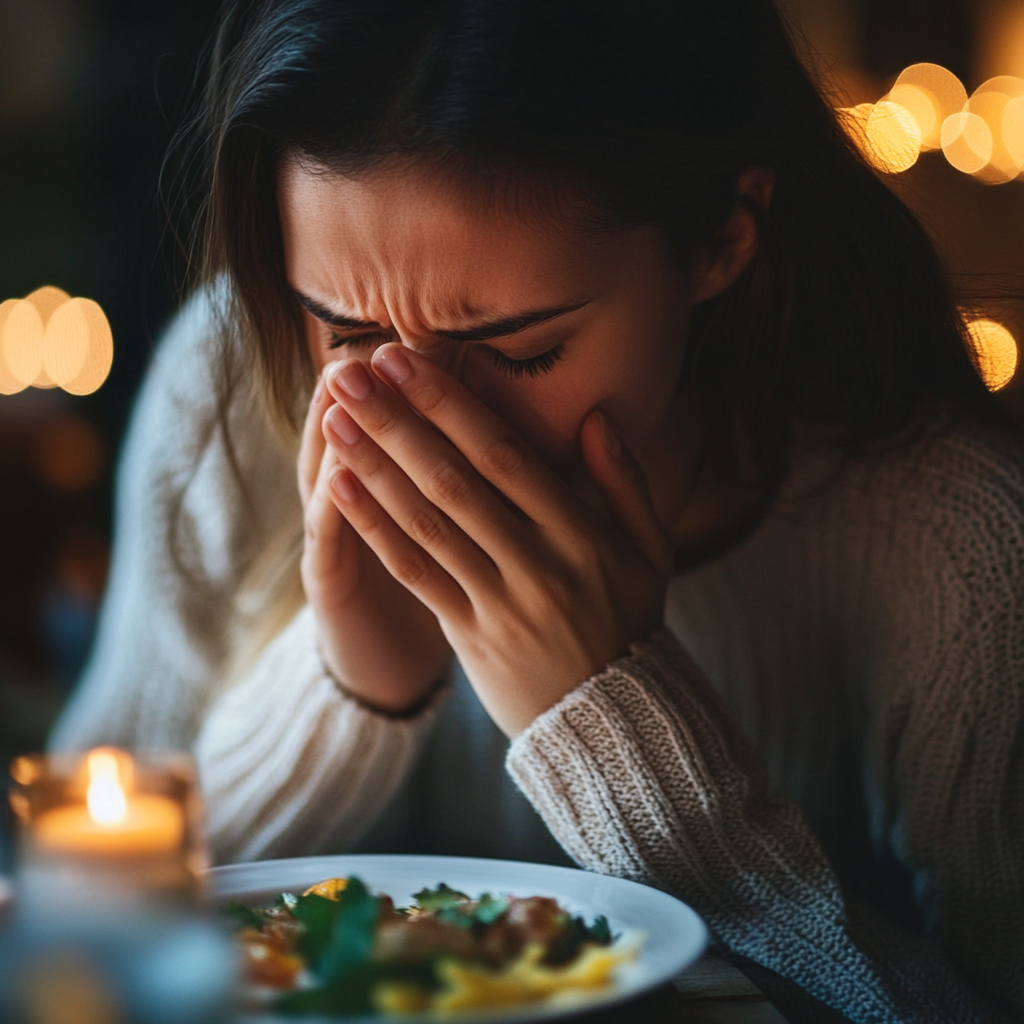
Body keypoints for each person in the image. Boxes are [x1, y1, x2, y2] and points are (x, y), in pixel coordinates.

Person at [52, 0, 1023, 1020]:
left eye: (522, 350)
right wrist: (348, 688)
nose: (435, 432)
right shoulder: (230, 388)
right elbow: (79, 936)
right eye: (346, 332)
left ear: (718, 244)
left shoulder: (957, 543)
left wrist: (618, 727)